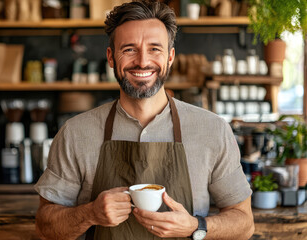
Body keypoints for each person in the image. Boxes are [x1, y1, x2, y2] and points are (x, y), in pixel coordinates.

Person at [34, 0, 254, 239]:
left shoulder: (213, 130)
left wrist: (195, 226)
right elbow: (45, 226)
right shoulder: (75, 133)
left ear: (170, 57)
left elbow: (244, 223)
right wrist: (90, 213)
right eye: (129, 49)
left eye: (154, 49)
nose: (142, 61)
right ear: (110, 57)